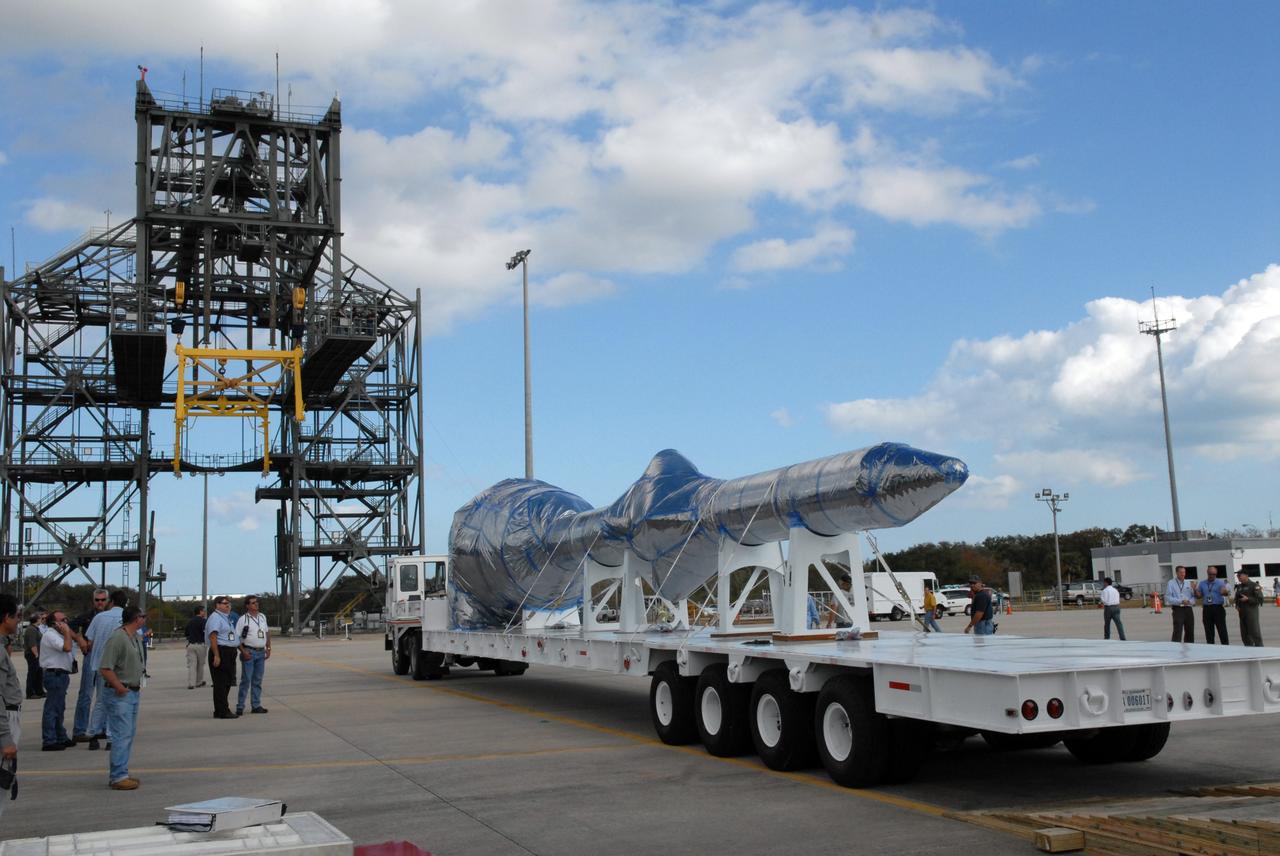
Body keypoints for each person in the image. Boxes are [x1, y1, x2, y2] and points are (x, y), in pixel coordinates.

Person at [98, 606, 147, 791]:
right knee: (121, 735)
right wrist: (119, 687)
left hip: (132, 691)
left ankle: (122, 771)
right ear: (137, 619)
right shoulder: (118, 638)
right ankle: (118, 776)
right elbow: (105, 667)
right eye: (143, 616)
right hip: (121, 692)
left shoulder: (134, 637)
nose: (145, 619)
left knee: (128, 734)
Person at [83, 590, 127, 749]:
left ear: (111, 601)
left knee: (101, 700)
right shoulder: (126, 618)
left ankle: (93, 733)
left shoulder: (99, 617)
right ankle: (110, 736)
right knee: (117, 701)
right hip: (120, 667)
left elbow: (90, 641)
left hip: (101, 666)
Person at [39, 610, 81, 751]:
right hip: (54, 674)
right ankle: (49, 740)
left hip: (61, 675)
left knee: (59, 708)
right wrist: (68, 632)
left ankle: (60, 736)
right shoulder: (51, 635)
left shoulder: (59, 634)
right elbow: (67, 647)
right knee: (52, 709)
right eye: (62, 620)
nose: (66, 622)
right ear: (54, 623)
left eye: (66, 619)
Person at [72, 589, 110, 742]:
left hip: (106, 658)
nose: (100, 602)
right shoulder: (87, 616)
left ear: (107, 600)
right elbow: (69, 626)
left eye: (102, 599)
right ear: (93, 601)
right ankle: (80, 729)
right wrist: (79, 639)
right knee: (86, 694)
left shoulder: (111, 616)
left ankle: (100, 727)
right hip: (91, 657)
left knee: (104, 695)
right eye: (97, 600)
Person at [0, 594, 23, 820]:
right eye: (17, 617)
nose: (18, 621)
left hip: (7, 715)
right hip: (6, 717)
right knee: (2, 782)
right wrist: (6, 739)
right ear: (6, 617)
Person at [234, 596, 271, 715]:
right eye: (253, 603)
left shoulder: (262, 617)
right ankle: (240, 706)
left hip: (261, 652)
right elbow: (236, 637)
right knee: (246, 680)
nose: (256, 604)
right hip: (249, 651)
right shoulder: (243, 619)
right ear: (247, 605)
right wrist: (243, 651)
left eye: (257, 602)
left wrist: (268, 647)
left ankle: (256, 705)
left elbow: (266, 632)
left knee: (257, 680)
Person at [207, 596, 239, 719]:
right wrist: (216, 655)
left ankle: (220, 709)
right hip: (221, 651)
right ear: (217, 605)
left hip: (229, 651)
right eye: (225, 603)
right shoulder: (215, 618)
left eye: (229, 603)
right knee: (221, 683)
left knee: (227, 682)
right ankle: (222, 710)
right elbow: (213, 637)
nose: (228, 605)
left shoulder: (226, 618)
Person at [1197, 566, 1230, 645]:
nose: (1212, 576)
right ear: (1207, 573)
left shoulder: (1221, 582)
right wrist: (1195, 591)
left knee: (1222, 630)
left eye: (1214, 574)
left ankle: (1226, 647)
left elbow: (1226, 593)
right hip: (1207, 609)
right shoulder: (1202, 583)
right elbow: (1199, 596)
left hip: (1218, 608)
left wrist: (1225, 592)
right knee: (1208, 631)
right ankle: (1210, 647)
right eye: (1210, 574)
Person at [1234, 569, 1264, 647]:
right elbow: (1237, 598)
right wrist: (1237, 605)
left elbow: (1260, 599)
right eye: (1237, 575)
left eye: (1239, 575)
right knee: (1244, 635)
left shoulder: (1254, 586)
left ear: (1246, 575)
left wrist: (1248, 599)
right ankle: (1249, 650)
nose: (1238, 577)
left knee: (1255, 633)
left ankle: (1261, 650)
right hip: (1242, 614)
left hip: (1251, 614)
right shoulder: (1239, 586)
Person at [1166, 566, 1196, 642]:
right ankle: (1175, 648)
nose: (1183, 574)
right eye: (1181, 572)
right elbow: (1168, 598)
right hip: (1178, 609)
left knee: (1190, 630)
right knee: (1178, 630)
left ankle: (1190, 647)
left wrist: (1190, 601)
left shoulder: (1189, 583)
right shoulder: (1171, 583)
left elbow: (1193, 596)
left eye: (1184, 572)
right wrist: (1181, 601)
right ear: (1177, 573)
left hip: (1188, 608)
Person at [23, 612, 45, 699]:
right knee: (32, 674)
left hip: (37, 654)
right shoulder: (31, 629)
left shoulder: (35, 628)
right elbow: (32, 644)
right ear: (36, 620)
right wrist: (36, 655)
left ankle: (39, 691)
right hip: (32, 655)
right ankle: (30, 693)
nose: (41, 619)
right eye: (40, 618)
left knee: (39, 674)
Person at [185, 606, 208, 690]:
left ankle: (191, 683)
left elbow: (186, 632)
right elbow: (206, 632)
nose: (205, 613)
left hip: (191, 645)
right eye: (203, 611)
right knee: (200, 664)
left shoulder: (190, 621)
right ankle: (199, 682)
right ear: (200, 612)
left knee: (192, 665)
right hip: (200, 645)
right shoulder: (203, 621)